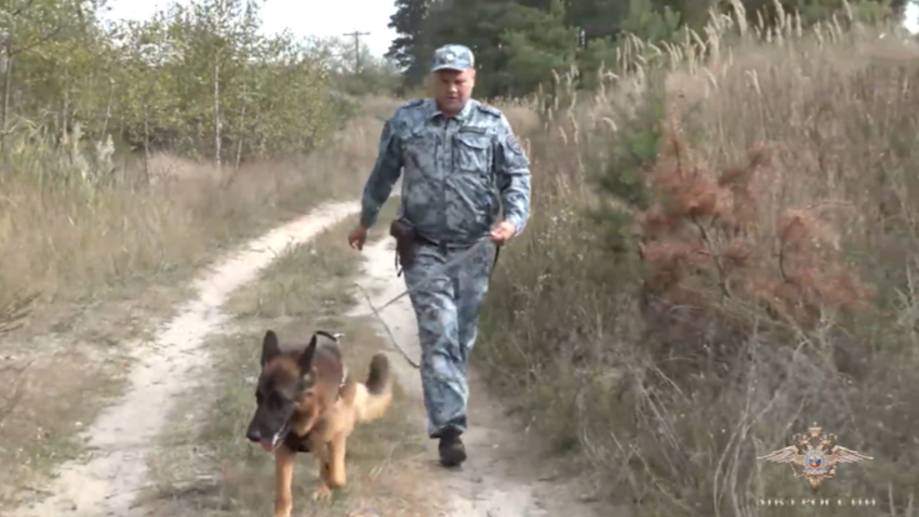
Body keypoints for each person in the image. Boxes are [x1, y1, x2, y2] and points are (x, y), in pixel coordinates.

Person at [347, 44, 531, 467]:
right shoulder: (407, 121)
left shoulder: (492, 125)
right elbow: (383, 174)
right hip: (423, 247)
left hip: (475, 248)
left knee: (460, 337)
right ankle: (450, 430)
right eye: (444, 80)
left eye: (459, 80)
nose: (452, 88)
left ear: (473, 78)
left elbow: (516, 175)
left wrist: (512, 221)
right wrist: (365, 220)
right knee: (439, 332)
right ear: (433, 80)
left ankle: (449, 403)